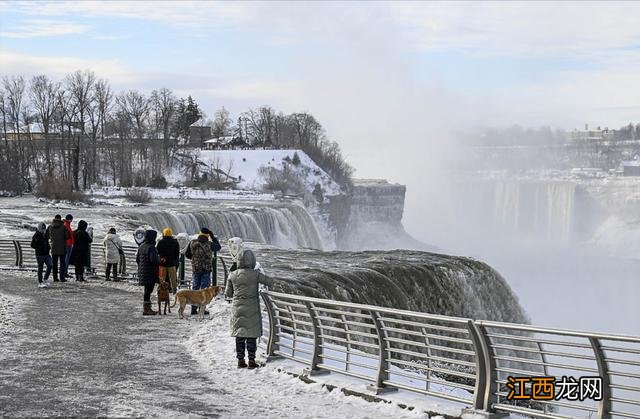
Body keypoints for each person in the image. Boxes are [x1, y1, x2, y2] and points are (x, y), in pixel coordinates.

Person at [225, 249, 273, 369]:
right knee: (251, 335)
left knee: (240, 335)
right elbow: (270, 281)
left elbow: (228, 294)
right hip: (252, 308)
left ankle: (240, 360)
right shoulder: (255, 274)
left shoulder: (232, 275)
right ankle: (252, 360)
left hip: (237, 308)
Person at [185, 227, 221, 315]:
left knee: (195, 289)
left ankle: (193, 309)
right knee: (205, 290)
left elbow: (187, 254)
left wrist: (195, 259)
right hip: (206, 269)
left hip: (196, 269)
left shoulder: (192, 242)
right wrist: (213, 237)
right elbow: (218, 247)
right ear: (207, 235)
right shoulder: (210, 244)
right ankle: (202, 309)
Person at [136, 229, 159, 315]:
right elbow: (153, 260)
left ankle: (147, 308)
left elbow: (137, 259)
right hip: (150, 272)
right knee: (148, 290)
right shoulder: (151, 247)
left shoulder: (141, 246)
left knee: (147, 290)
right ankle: (147, 309)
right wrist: (159, 259)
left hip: (143, 272)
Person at [156, 227, 180, 293]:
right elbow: (177, 254)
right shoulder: (175, 242)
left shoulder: (160, 242)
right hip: (172, 264)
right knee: (173, 279)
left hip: (162, 264)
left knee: (161, 279)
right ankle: (174, 291)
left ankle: (160, 291)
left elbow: (157, 251)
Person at [47, 214, 69, 282]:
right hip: (62, 248)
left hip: (53, 247)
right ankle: (62, 278)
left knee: (54, 264)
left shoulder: (50, 227)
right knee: (62, 263)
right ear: (60, 218)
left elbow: (47, 236)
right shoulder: (63, 227)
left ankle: (55, 277)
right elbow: (67, 236)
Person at [31, 222, 52, 288]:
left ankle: (45, 279)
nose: (43, 230)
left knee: (50, 265)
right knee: (40, 268)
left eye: (44, 229)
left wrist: (48, 247)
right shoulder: (36, 235)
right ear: (39, 228)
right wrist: (39, 248)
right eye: (42, 229)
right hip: (39, 254)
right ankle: (40, 282)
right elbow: (32, 245)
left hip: (46, 254)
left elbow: (47, 242)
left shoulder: (45, 234)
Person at [63, 214, 74, 279]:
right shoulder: (66, 225)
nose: (72, 221)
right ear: (69, 219)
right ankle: (65, 272)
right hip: (68, 245)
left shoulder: (66, 225)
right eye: (71, 219)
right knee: (66, 259)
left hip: (68, 244)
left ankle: (65, 272)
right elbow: (68, 235)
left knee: (66, 259)